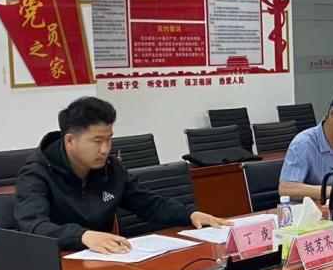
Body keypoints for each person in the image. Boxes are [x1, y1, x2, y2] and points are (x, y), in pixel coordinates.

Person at [15, 96, 228, 254]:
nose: (105, 149)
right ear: (70, 140)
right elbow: (32, 226)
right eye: (97, 141)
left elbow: (147, 203)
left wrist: (190, 214)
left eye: (109, 139)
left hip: (105, 260)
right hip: (55, 264)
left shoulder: (110, 168)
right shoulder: (36, 173)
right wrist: (83, 236)